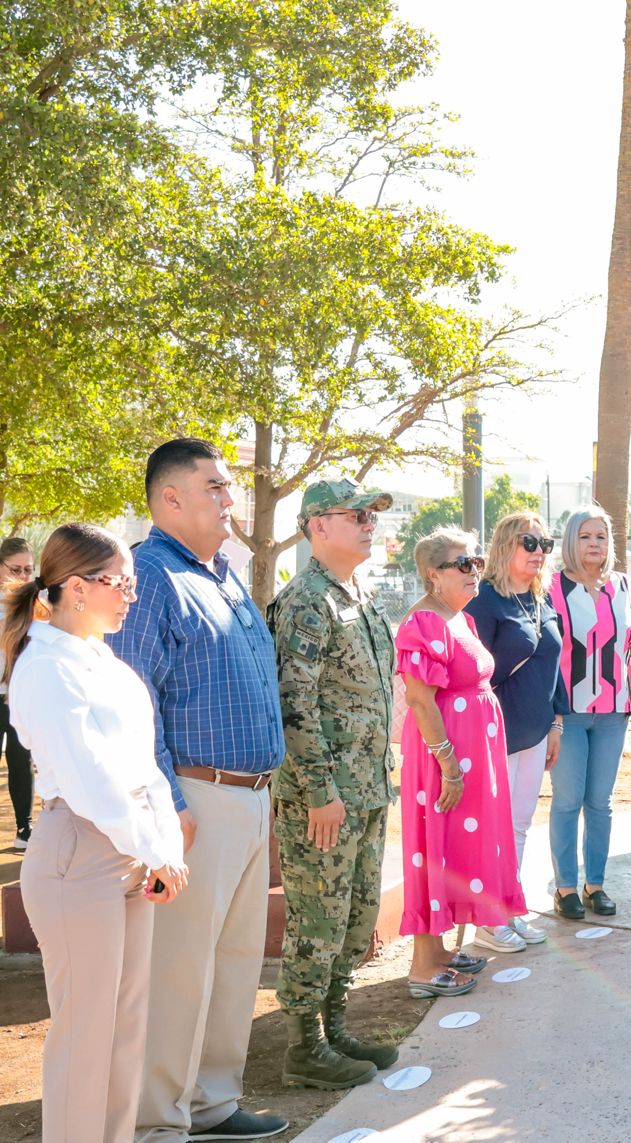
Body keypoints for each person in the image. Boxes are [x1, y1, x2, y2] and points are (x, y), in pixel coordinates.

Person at [106, 438, 289, 1143]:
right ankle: (158, 1121)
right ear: (170, 498)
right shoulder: (149, 575)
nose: (229, 498)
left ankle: (213, 1103)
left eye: (229, 486)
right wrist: (168, 806)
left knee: (236, 961)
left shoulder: (221, 574)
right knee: (179, 969)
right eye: (215, 486)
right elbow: (134, 700)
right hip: (193, 800)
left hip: (247, 795)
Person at [6, 523, 187, 1143]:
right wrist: (155, 847)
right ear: (77, 588)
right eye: (122, 584)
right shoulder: (47, 667)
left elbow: (144, 764)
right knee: (86, 1036)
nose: (131, 597)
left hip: (128, 850)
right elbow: (91, 779)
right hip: (79, 849)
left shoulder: (99, 658)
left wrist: (160, 847)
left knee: (123, 1029)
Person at [264, 480, 399, 1092]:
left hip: (367, 790)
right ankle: (303, 1047)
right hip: (325, 798)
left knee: (355, 913)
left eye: (373, 515)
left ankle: (336, 1025)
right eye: (359, 516)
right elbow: (296, 703)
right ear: (318, 526)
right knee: (318, 917)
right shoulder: (306, 602)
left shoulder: (358, 595)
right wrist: (319, 791)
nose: (371, 524)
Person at [396, 527, 526, 995]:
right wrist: (449, 764)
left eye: (477, 563)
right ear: (434, 575)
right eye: (464, 564)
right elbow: (420, 699)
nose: (476, 571)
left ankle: (441, 952)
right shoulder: (426, 622)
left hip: (471, 755)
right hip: (445, 756)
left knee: (456, 848)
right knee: (436, 846)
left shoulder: (458, 618)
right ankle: (423, 968)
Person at [465, 510, 568, 947]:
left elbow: (554, 667)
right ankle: (489, 919)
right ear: (505, 546)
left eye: (545, 545)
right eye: (530, 543)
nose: (539, 553)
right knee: (495, 826)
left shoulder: (540, 600)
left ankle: (509, 907)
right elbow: (474, 673)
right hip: (495, 734)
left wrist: (557, 721)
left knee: (519, 825)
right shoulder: (485, 602)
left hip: (535, 731)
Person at [546, 506, 631, 920]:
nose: (595, 544)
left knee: (600, 802)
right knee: (568, 800)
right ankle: (566, 888)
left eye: (601, 537)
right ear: (571, 541)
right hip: (567, 712)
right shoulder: (552, 587)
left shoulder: (624, 586)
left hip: (614, 711)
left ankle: (596, 885)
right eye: (586, 536)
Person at [1, 536, 37, 851]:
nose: (23, 577)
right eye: (16, 570)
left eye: (28, 569)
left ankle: (24, 828)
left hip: (18, 697)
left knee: (20, 761)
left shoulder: (36, 604)